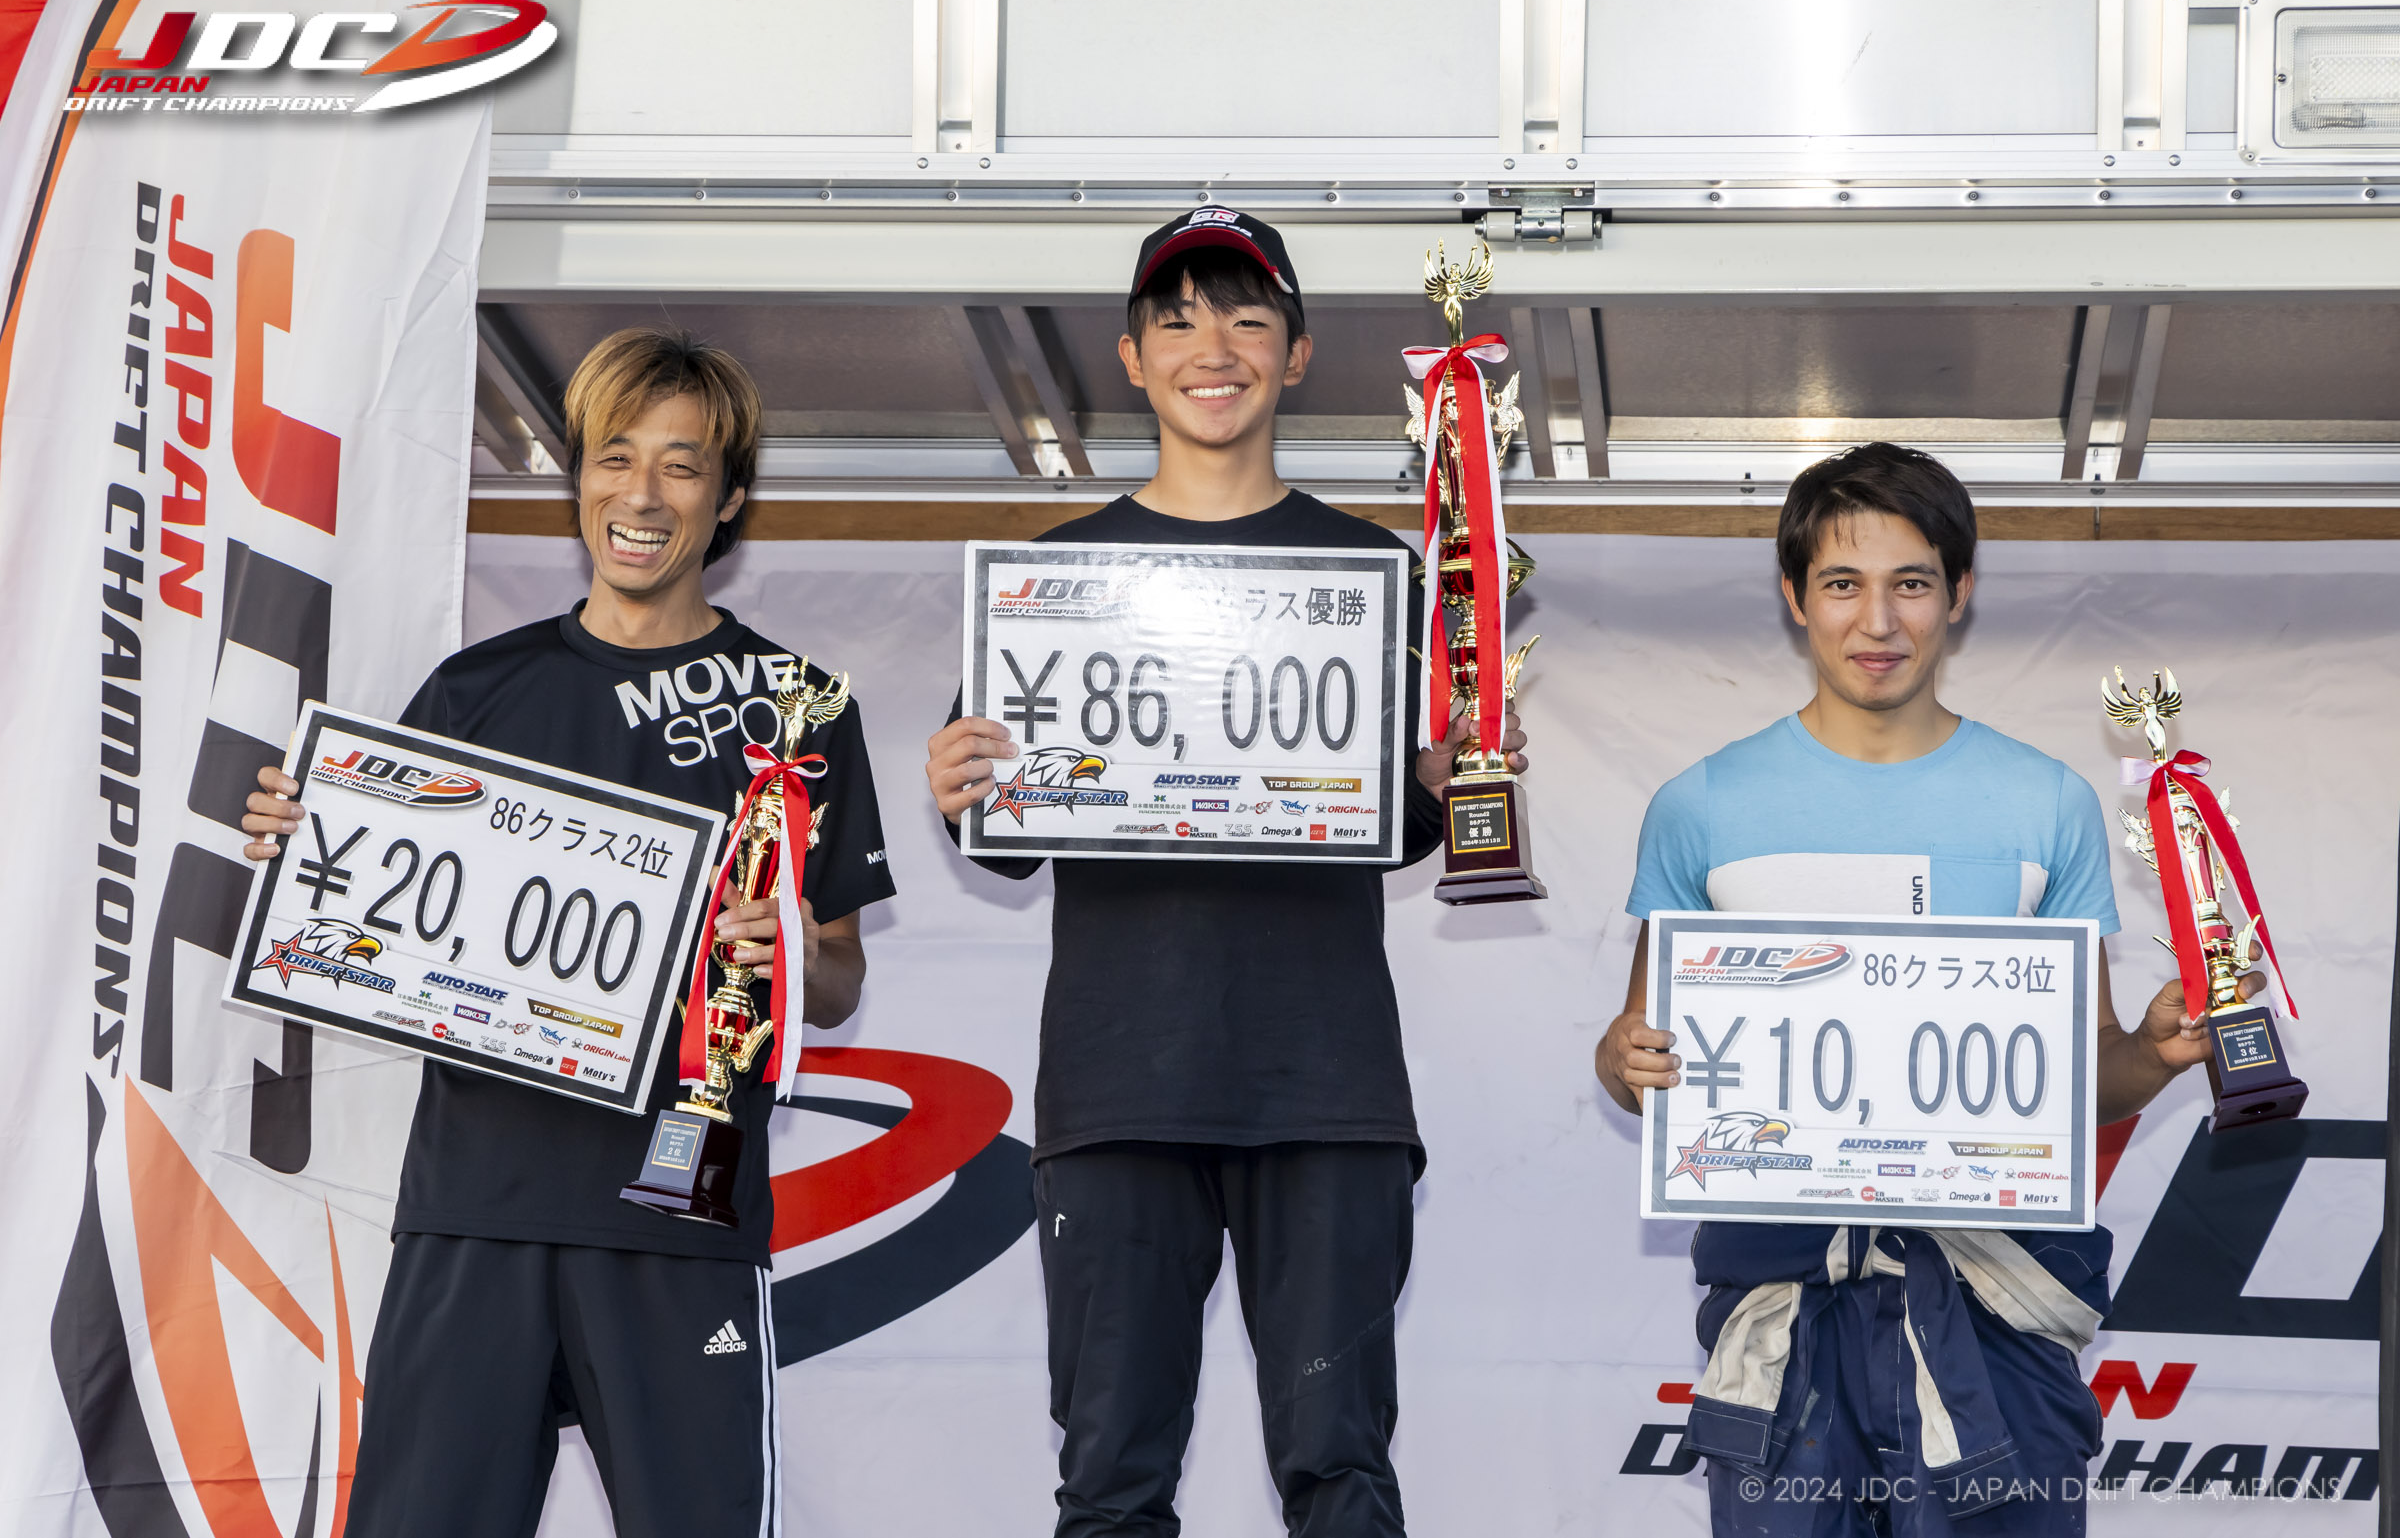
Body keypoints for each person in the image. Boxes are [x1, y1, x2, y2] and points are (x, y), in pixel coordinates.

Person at [924, 208, 1525, 1538]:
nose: (1215, 347)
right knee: (1111, 1481)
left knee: (1340, 1468)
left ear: (1296, 355)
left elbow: (1405, 824)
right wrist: (960, 777)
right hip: (1118, 1094)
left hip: (1325, 1092)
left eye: (1249, 318)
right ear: (1131, 358)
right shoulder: (1053, 581)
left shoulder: (1378, 573)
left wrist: (1454, 775)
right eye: (1180, 318)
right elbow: (1002, 839)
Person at [243, 328, 897, 1536]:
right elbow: (367, 910)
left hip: (680, 1219)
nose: (640, 495)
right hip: (474, 1208)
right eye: (614, 457)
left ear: (729, 498)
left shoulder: (801, 711)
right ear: (580, 477)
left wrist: (799, 957)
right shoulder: (472, 691)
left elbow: (843, 975)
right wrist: (304, 841)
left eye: (681, 465)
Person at [1592, 443, 2257, 1537]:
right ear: (1795, 597)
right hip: (1785, 1308)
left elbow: (2083, 1074)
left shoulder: (2045, 802)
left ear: (1959, 591)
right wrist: (1622, 1059)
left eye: (1910, 581)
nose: (1878, 620)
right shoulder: (1700, 806)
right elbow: (1644, 1064)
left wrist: (2151, 1050)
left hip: (1995, 1304)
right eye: (1842, 583)